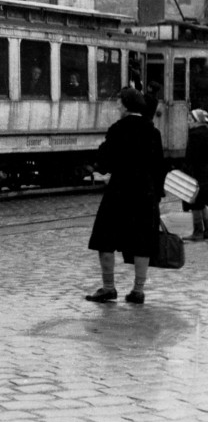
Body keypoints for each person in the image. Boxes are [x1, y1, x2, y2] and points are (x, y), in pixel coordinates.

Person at [85, 87, 164, 305]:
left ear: (127, 105)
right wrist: (157, 194)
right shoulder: (152, 132)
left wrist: (96, 164)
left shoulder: (118, 129)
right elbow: (160, 167)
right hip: (146, 194)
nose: (117, 106)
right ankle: (138, 291)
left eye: (119, 103)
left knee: (104, 238)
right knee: (142, 241)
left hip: (120, 192)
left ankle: (109, 288)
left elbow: (105, 162)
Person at [183, 109, 208, 241]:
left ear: (196, 121)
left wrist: (187, 173)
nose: (188, 122)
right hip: (205, 173)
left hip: (196, 172)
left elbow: (191, 157)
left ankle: (198, 232)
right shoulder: (206, 133)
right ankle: (207, 230)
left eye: (190, 119)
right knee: (202, 202)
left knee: (195, 202)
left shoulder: (195, 135)